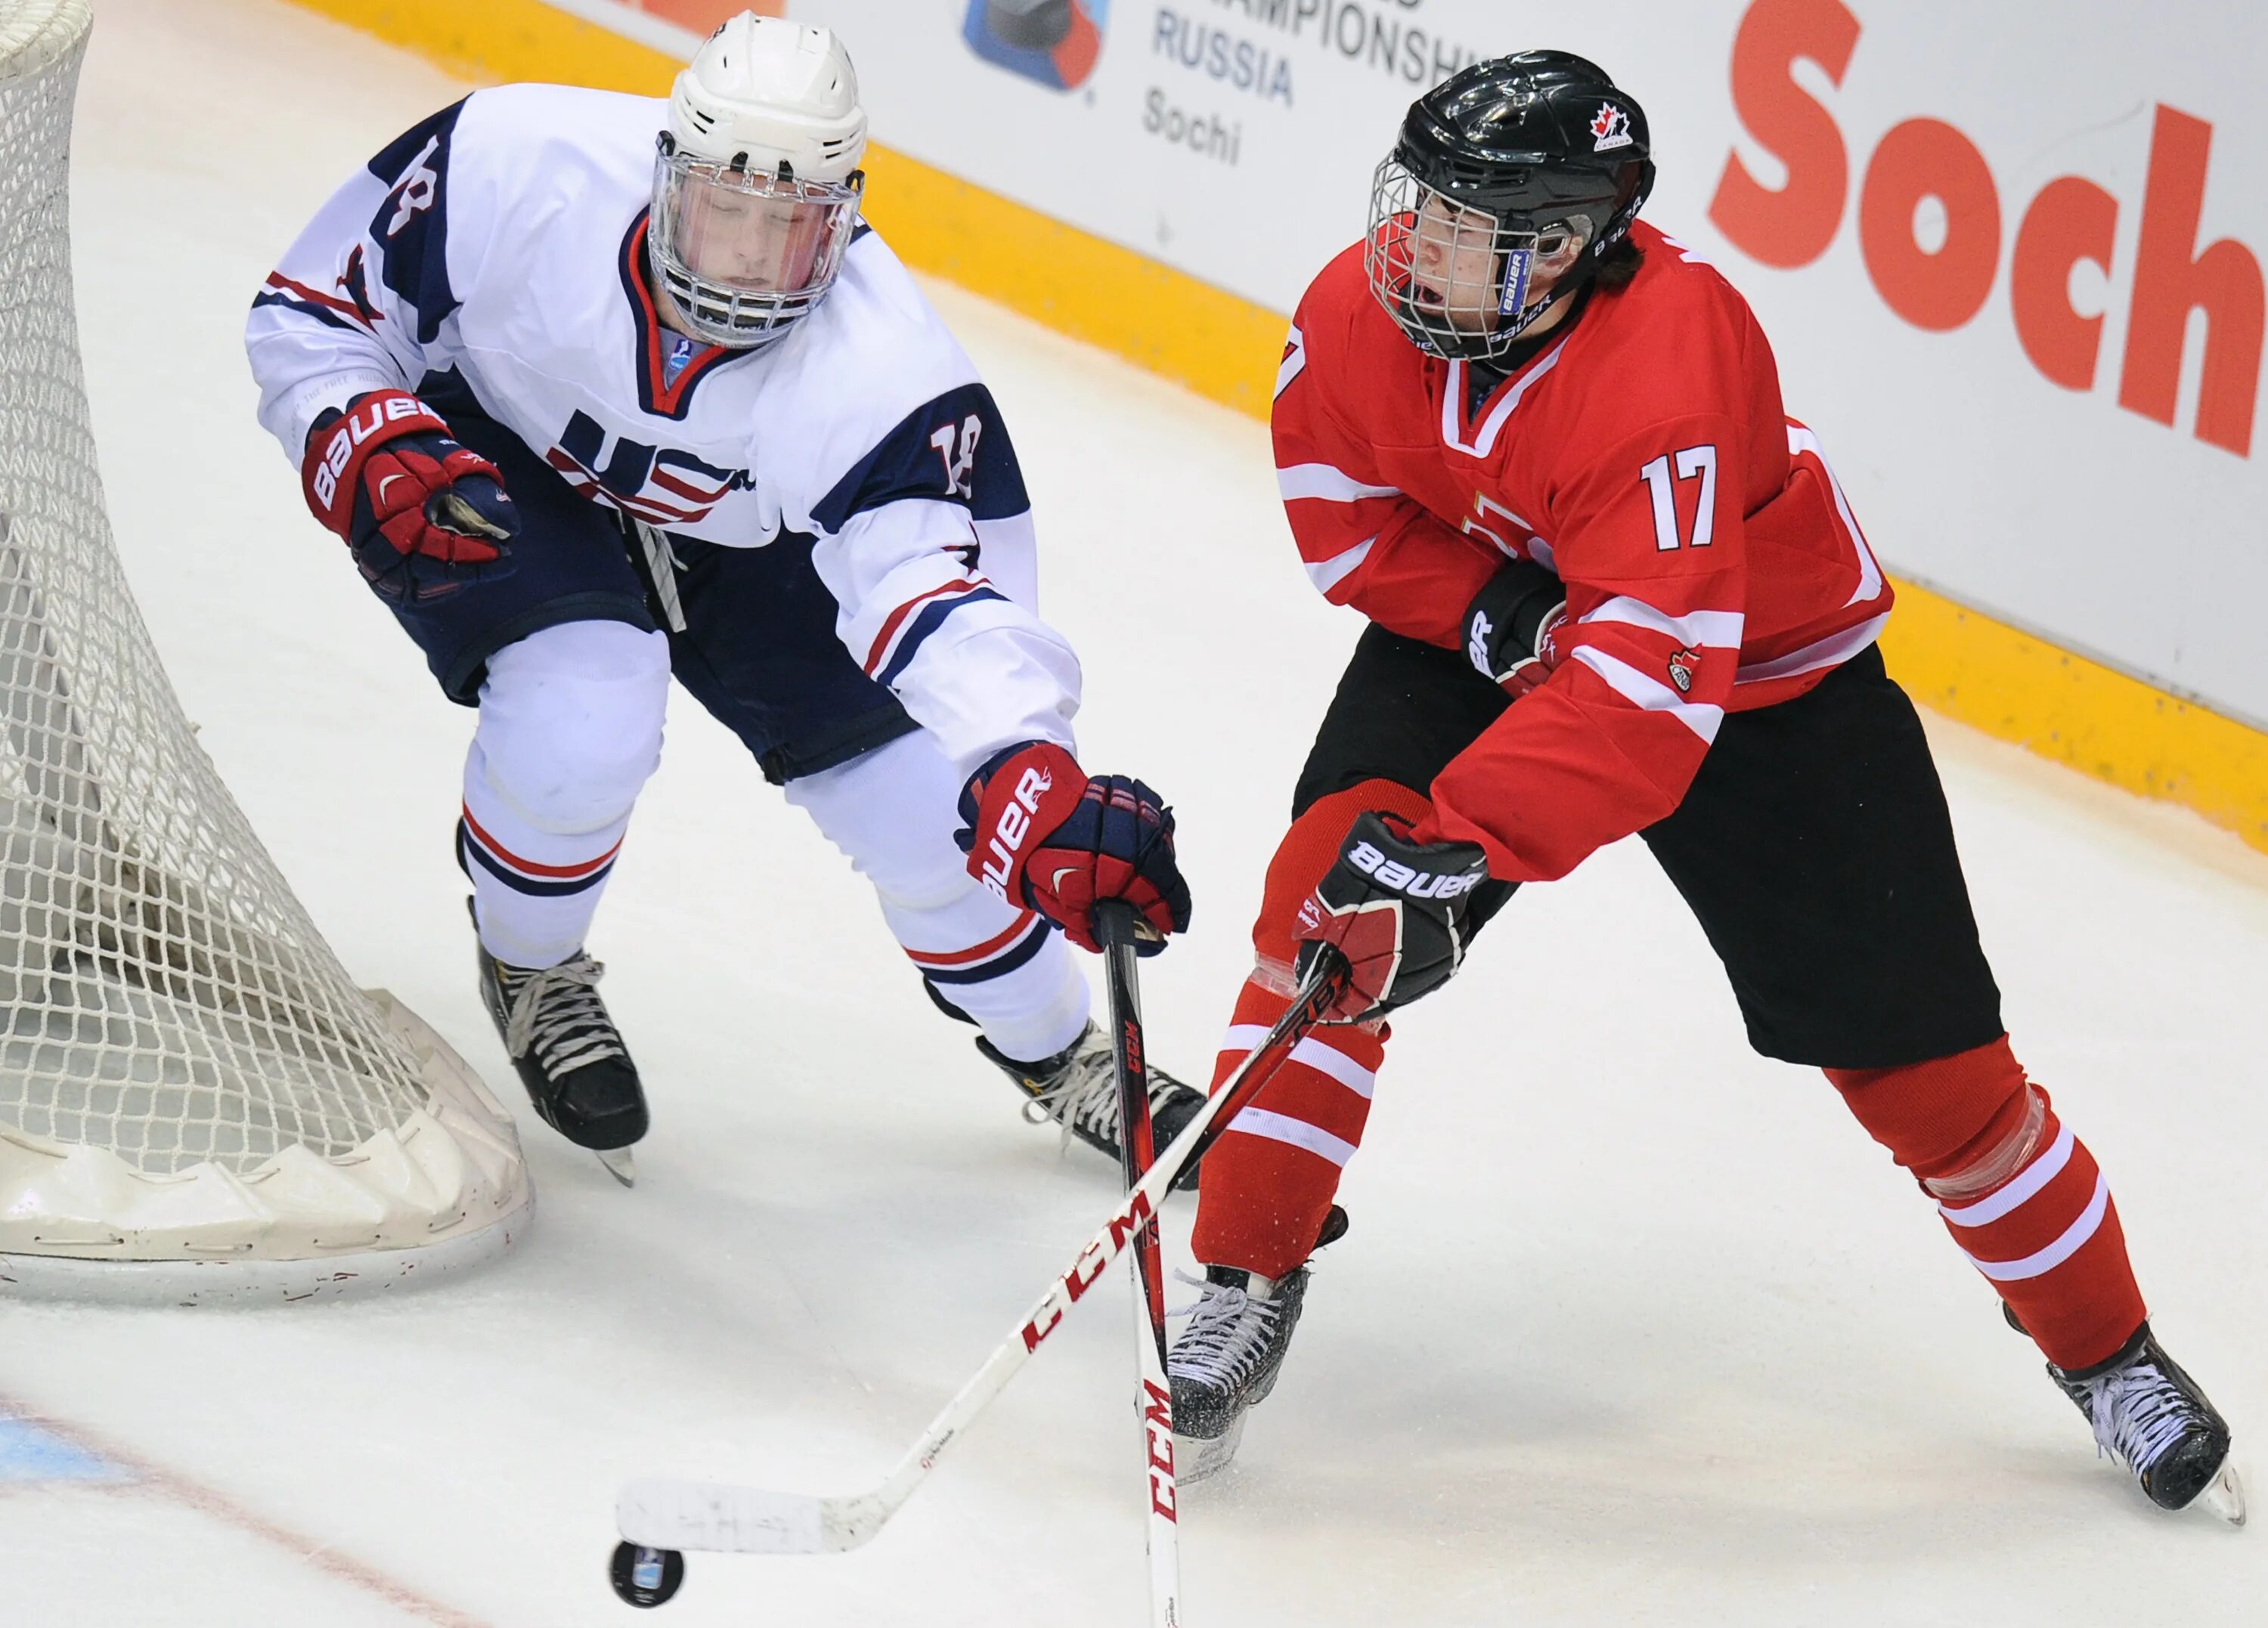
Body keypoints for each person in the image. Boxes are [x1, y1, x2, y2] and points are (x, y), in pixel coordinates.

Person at [1161, 51, 2243, 1522]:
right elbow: (1345, 526)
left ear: (1566, 255)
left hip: (1755, 684)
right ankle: (1243, 1266)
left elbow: (1647, 698)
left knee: (1931, 1079)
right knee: (1329, 907)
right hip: (1517, 614)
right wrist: (1489, 621)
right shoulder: (1357, 315)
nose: (1416, 248)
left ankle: (2103, 1348)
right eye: (1416, 206)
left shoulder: (1669, 356)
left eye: (1469, 229)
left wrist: (1464, 852)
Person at [245, 14, 1199, 1186]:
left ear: (845, 223)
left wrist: (1027, 770)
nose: (748, 260)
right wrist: (358, 436)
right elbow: (313, 314)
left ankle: (1063, 1057)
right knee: (585, 703)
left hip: (745, 535)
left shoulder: (882, 369)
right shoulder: (513, 161)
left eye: (789, 231)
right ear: (665, 171)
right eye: (724, 212)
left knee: (924, 807)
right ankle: (531, 967)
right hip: (504, 459)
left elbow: (933, 591)